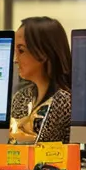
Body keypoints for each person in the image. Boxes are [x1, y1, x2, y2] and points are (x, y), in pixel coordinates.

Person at [8, 16, 74, 144]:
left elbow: (43, 145)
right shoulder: (21, 96)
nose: (15, 59)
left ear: (43, 53)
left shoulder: (65, 100)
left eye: (21, 50)